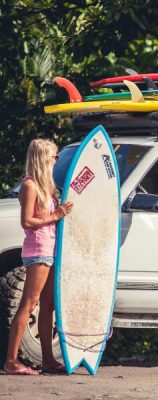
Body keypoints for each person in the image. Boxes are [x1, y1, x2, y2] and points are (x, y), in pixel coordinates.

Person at [3, 139, 73, 375]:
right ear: (43, 158)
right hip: (38, 250)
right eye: (54, 157)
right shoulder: (30, 186)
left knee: (48, 306)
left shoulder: (46, 187)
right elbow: (27, 221)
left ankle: (47, 359)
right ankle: (11, 361)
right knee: (29, 304)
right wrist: (56, 215)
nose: (56, 160)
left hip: (50, 249)